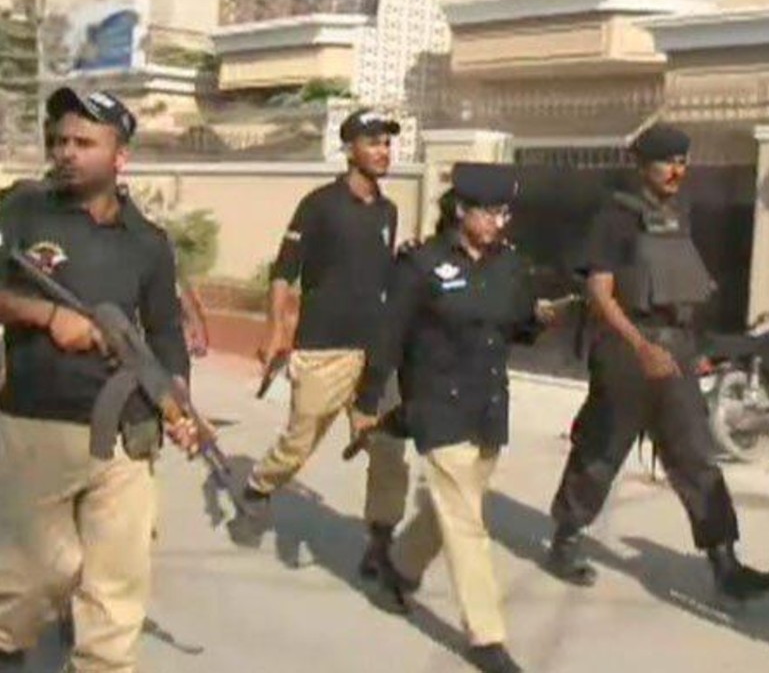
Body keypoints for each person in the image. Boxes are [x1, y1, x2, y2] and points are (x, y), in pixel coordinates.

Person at [545, 122, 769, 601]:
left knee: (696, 456)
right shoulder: (613, 217)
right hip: (626, 347)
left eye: (682, 160)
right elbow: (599, 294)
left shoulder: (679, 214)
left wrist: (685, 347)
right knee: (602, 448)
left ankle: (726, 566)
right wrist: (642, 347)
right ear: (643, 164)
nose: (677, 170)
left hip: (675, 346)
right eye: (667, 160)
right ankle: (566, 538)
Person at [0, 87, 197, 672]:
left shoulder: (148, 242)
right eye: (58, 140)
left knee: (117, 589)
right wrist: (47, 315)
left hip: (124, 430)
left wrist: (176, 400)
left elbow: (164, 334)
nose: (65, 152)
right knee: (35, 578)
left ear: (120, 156)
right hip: (37, 423)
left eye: (83, 142)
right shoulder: (21, 213)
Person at [351, 163, 557, 673]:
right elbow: (389, 337)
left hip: (487, 404)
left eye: (504, 213)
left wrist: (538, 321)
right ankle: (486, 637)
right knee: (467, 522)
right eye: (489, 212)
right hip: (436, 403)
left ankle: (398, 567)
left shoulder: (508, 264)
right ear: (462, 210)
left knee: (454, 506)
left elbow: (515, 326)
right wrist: (366, 401)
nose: (497, 223)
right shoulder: (420, 264)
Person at [228, 108, 411, 581]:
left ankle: (380, 540)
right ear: (350, 148)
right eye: (373, 142)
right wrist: (274, 332)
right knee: (299, 443)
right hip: (324, 347)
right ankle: (256, 490)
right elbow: (284, 272)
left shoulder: (389, 211)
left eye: (388, 143)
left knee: (389, 449)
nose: (383, 151)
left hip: (374, 352)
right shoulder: (319, 205)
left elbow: (382, 279)